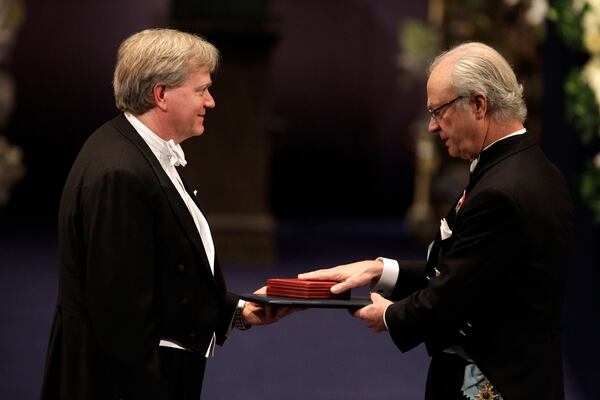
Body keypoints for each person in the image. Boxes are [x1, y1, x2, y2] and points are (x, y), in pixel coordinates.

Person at [300, 42, 573, 400]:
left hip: (494, 381)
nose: (431, 127)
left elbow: (454, 294)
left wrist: (392, 317)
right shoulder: (527, 167)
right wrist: (380, 270)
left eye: (438, 111)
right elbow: (473, 268)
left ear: (478, 104)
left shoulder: (502, 190)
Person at [40, 28, 288, 400]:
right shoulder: (120, 172)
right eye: (202, 89)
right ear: (161, 94)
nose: (212, 101)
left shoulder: (141, 151)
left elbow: (164, 270)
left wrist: (235, 311)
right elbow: (120, 318)